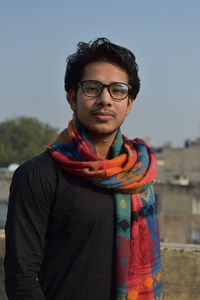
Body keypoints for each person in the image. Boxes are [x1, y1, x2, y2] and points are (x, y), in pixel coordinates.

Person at [4, 38, 162, 300]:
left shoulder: (139, 175)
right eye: (92, 88)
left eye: (118, 90)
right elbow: (21, 277)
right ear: (72, 98)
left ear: (129, 102)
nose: (105, 100)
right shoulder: (38, 174)